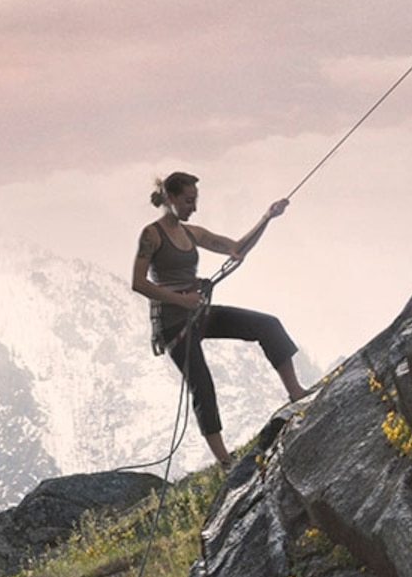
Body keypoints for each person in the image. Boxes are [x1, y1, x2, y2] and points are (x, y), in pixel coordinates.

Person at [132, 170, 308, 467]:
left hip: (197, 313)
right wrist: (182, 299)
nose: (194, 207)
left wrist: (267, 218)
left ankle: (296, 392)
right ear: (171, 198)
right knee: (202, 383)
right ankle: (225, 461)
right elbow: (139, 282)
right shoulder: (151, 235)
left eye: (195, 201)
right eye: (188, 201)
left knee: (267, 325)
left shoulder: (192, 233)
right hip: (173, 324)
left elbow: (235, 249)